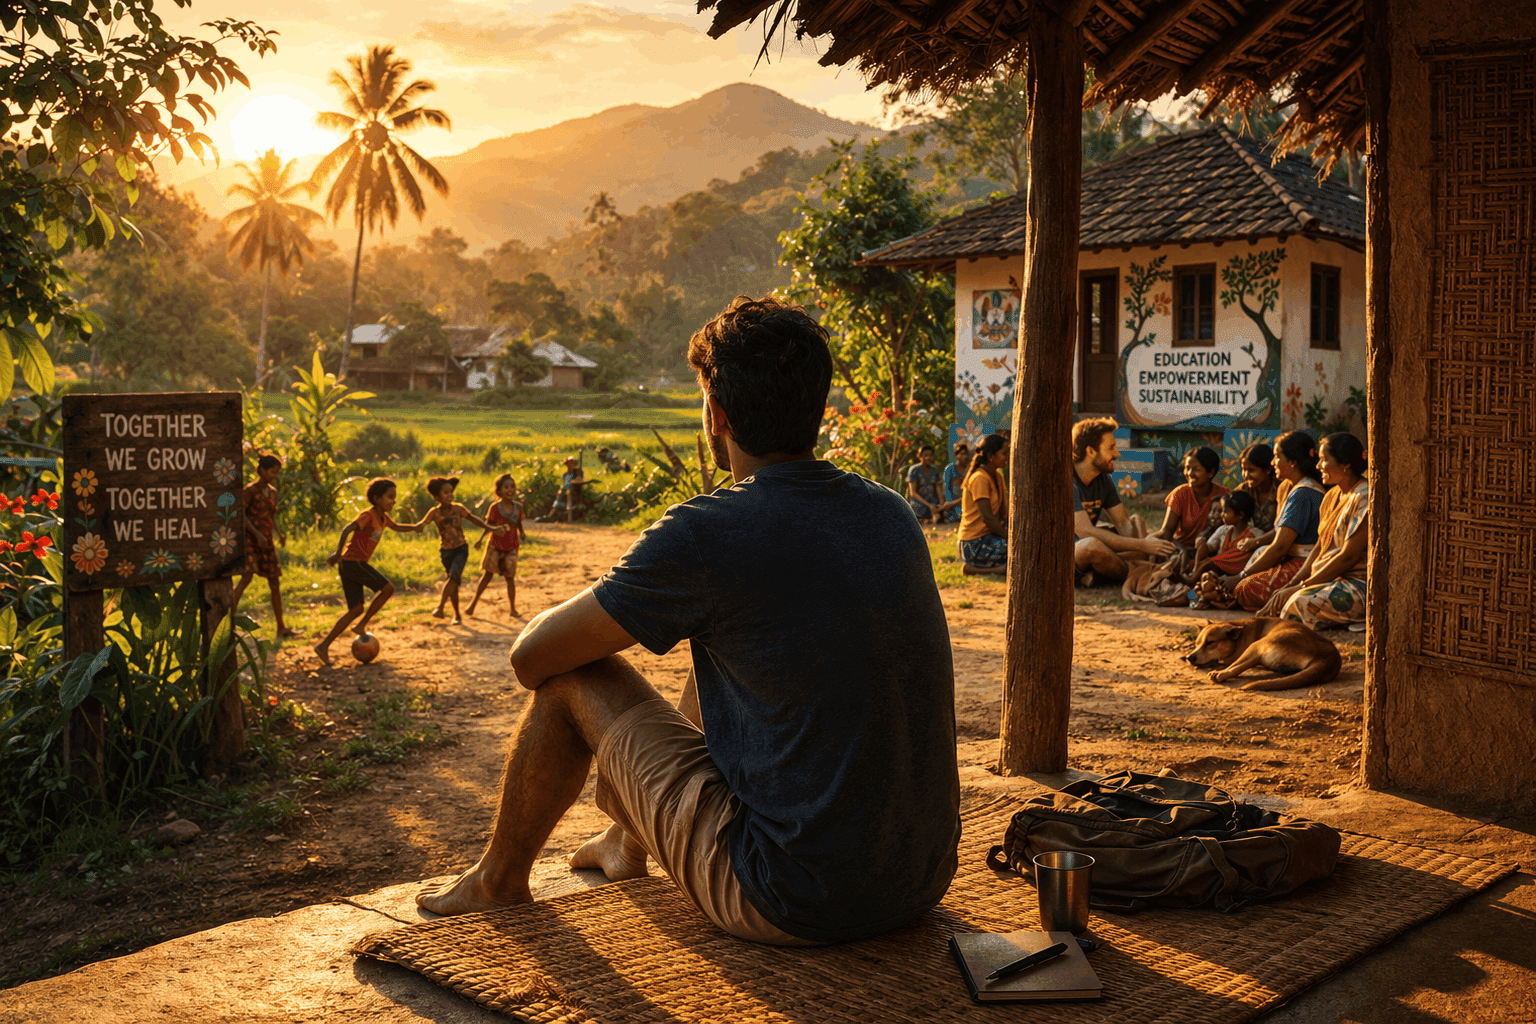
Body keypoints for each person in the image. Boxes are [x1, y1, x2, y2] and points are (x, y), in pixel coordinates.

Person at [417, 295, 960, 948]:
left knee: (570, 680)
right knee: (728, 646)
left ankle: (498, 880)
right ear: (817, 406)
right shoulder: (889, 512)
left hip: (789, 896)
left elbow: (531, 657)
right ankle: (625, 839)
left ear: (718, 416)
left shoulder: (709, 532)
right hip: (920, 879)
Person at [1262, 433, 1370, 629]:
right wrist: (1292, 584)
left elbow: (1348, 557)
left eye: (1323, 460)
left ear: (1345, 463)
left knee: (1298, 603)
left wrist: (1302, 587)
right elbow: (1321, 546)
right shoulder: (1331, 496)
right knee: (1281, 598)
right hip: (1327, 580)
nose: (1318, 466)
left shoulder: (1365, 496)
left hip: (1357, 584)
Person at [315, 478, 420, 666]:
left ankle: (323, 646)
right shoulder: (368, 516)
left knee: (356, 608)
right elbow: (348, 529)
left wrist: (416, 527)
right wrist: (338, 552)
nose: (393, 502)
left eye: (394, 498)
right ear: (376, 498)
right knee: (388, 589)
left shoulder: (384, 518)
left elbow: (397, 527)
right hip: (353, 563)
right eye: (389, 497)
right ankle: (362, 624)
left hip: (352, 565)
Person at [1228, 431, 1327, 611]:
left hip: (1302, 562)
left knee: (1244, 588)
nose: (1273, 462)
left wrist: (1240, 576)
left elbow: (1280, 547)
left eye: (1276, 456)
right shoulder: (1292, 488)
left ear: (1292, 462)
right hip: (1292, 558)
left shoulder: (1304, 493)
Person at [1071, 418, 1175, 585]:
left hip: (1087, 546)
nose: (1117, 454)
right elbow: (1085, 532)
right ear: (1090, 451)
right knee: (1091, 545)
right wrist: (1142, 545)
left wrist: (1139, 543)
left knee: (1136, 522)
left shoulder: (1101, 479)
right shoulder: (1065, 479)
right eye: (1111, 447)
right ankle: (1143, 573)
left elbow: (1123, 522)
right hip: (1063, 553)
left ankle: (1097, 575)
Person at [420, 476, 503, 625]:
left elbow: (474, 519)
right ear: (437, 496)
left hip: (460, 549)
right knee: (453, 582)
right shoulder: (434, 512)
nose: (450, 495)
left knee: (453, 578)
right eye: (445, 493)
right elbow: (422, 524)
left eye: (451, 492)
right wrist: (415, 527)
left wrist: (491, 528)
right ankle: (457, 615)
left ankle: (440, 607)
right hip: (445, 552)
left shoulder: (458, 508)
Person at [233, 454, 297, 639]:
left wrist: (278, 533)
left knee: (275, 583)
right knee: (246, 578)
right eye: (273, 471)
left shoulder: (273, 493)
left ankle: (281, 628)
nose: (275, 475)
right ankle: (226, 624)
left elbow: (271, 516)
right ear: (261, 471)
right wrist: (256, 533)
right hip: (250, 540)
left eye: (277, 472)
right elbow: (241, 516)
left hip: (267, 541)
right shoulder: (249, 491)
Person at [1154, 446, 1228, 579]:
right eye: (1187, 468)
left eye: (1196, 469)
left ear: (1211, 472)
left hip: (1211, 552)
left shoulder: (1224, 496)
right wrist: (1181, 551)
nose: (1189, 473)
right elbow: (1167, 532)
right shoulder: (1180, 494)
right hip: (1181, 550)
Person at [467, 473, 528, 620]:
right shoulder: (494, 507)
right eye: (506, 487)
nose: (510, 489)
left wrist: (522, 533)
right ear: (499, 491)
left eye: (512, 486)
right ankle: (473, 603)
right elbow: (489, 525)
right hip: (495, 545)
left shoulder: (518, 507)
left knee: (510, 578)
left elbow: (518, 523)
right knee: (487, 575)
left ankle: (513, 608)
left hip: (512, 545)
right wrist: (480, 539)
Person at [957, 433, 1009, 574]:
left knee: (1022, 550)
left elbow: (1004, 513)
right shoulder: (979, 478)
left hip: (990, 537)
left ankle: (996, 568)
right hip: (974, 542)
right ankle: (975, 569)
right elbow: (988, 518)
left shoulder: (998, 476)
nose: (1008, 457)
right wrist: (1010, 538)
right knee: (1018, 551)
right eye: (1004, 453)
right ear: (991, 456)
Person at [1186, 491, 1257, 583]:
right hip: (1217, 569)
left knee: (1208, 564)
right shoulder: (1223, 530)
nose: (1221, 514)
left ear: (1240, 515)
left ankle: (1190, 581)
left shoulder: (1254, 534)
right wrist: (1201, 546)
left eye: (1225, 511)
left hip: (1234, 575)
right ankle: (1192, 584)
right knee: (1195, 565)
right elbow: (1207, 547)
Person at [906, 443, 946, 523]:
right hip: (919, 503)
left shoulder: (934, 470)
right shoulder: (914, 470)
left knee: (944, 509)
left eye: (931, 455)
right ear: (920, 456)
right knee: (922, 510)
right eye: (925, 455)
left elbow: (939, 489)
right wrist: (929, 505)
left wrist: (942, 504)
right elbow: (913, 493)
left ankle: (932, 518)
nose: (928, 458)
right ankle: (929, 519)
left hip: (933, 502)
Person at [941, 441, 968, 524]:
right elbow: (948, 491)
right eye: (962, 454)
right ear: (956, 455)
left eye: (966, 454)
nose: (965, 457)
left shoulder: (971, 469)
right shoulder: (950, 469)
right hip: (953, 505)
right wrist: (953, 503)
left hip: (967, 502)